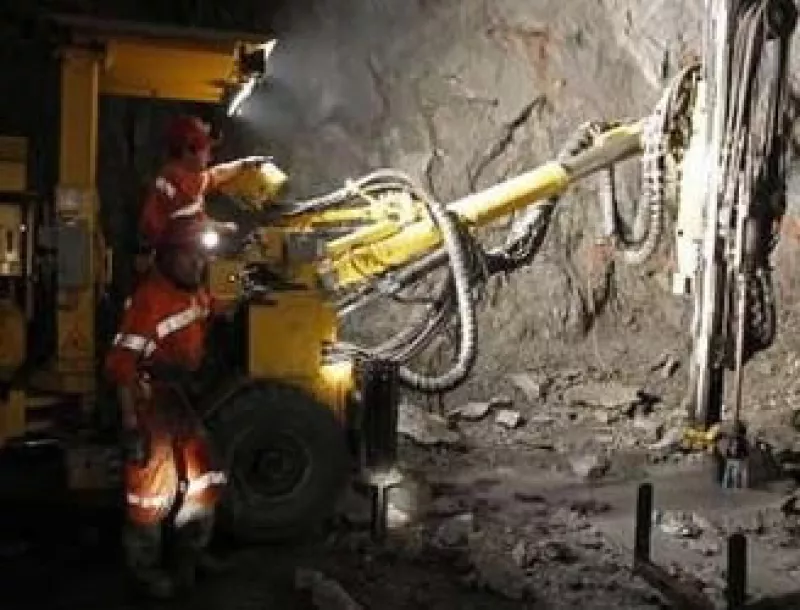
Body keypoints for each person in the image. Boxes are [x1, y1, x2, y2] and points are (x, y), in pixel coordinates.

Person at [105, 217, 232, 599]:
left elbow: (206, 308)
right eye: (191, 257)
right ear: (169, 257)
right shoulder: (148, 301)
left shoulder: (191, 289)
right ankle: (147, 572)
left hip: (181, 399)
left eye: (201, 257)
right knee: (150, 493)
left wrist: (231, 304)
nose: (199, 265)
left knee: (202, 479)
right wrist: (130, 422)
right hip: (151, 401)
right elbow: (120, 365)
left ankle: (190, 556)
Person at [138, 114, 267, 249]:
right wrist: (219, 227)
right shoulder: (171, 183)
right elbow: (172, 226)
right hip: (172, 255)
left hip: (190, 252)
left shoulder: (191, 176)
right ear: (188, 151)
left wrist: (244, 164)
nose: (210, 157)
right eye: (206, 150)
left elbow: (215, 175)